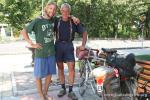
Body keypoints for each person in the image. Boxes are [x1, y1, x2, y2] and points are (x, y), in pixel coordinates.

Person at [20, 2, 57, 100]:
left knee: (49, 74)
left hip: (51, 52)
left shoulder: (54, 20)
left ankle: (45, 93)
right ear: (46, 8)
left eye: (54, 9)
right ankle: (40, 95)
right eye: (50, 8)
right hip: (40, 53)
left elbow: (65, 15)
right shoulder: (38, 20)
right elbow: (23, 31)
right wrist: (32, 43)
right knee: (38, 75)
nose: (52, 11)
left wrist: (72, 16)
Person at [54, 3, 87, 100]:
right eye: (63, 10)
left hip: (69, 46)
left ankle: (71, 91)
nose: (65, 12)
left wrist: (83, 45)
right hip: (58, 45)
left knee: (71, 68)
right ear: (61, 11)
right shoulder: (56, 20)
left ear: (69, 12)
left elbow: (84, 32)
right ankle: (63, 88)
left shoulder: (73, 22)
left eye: (67, 11)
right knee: (60, 68)